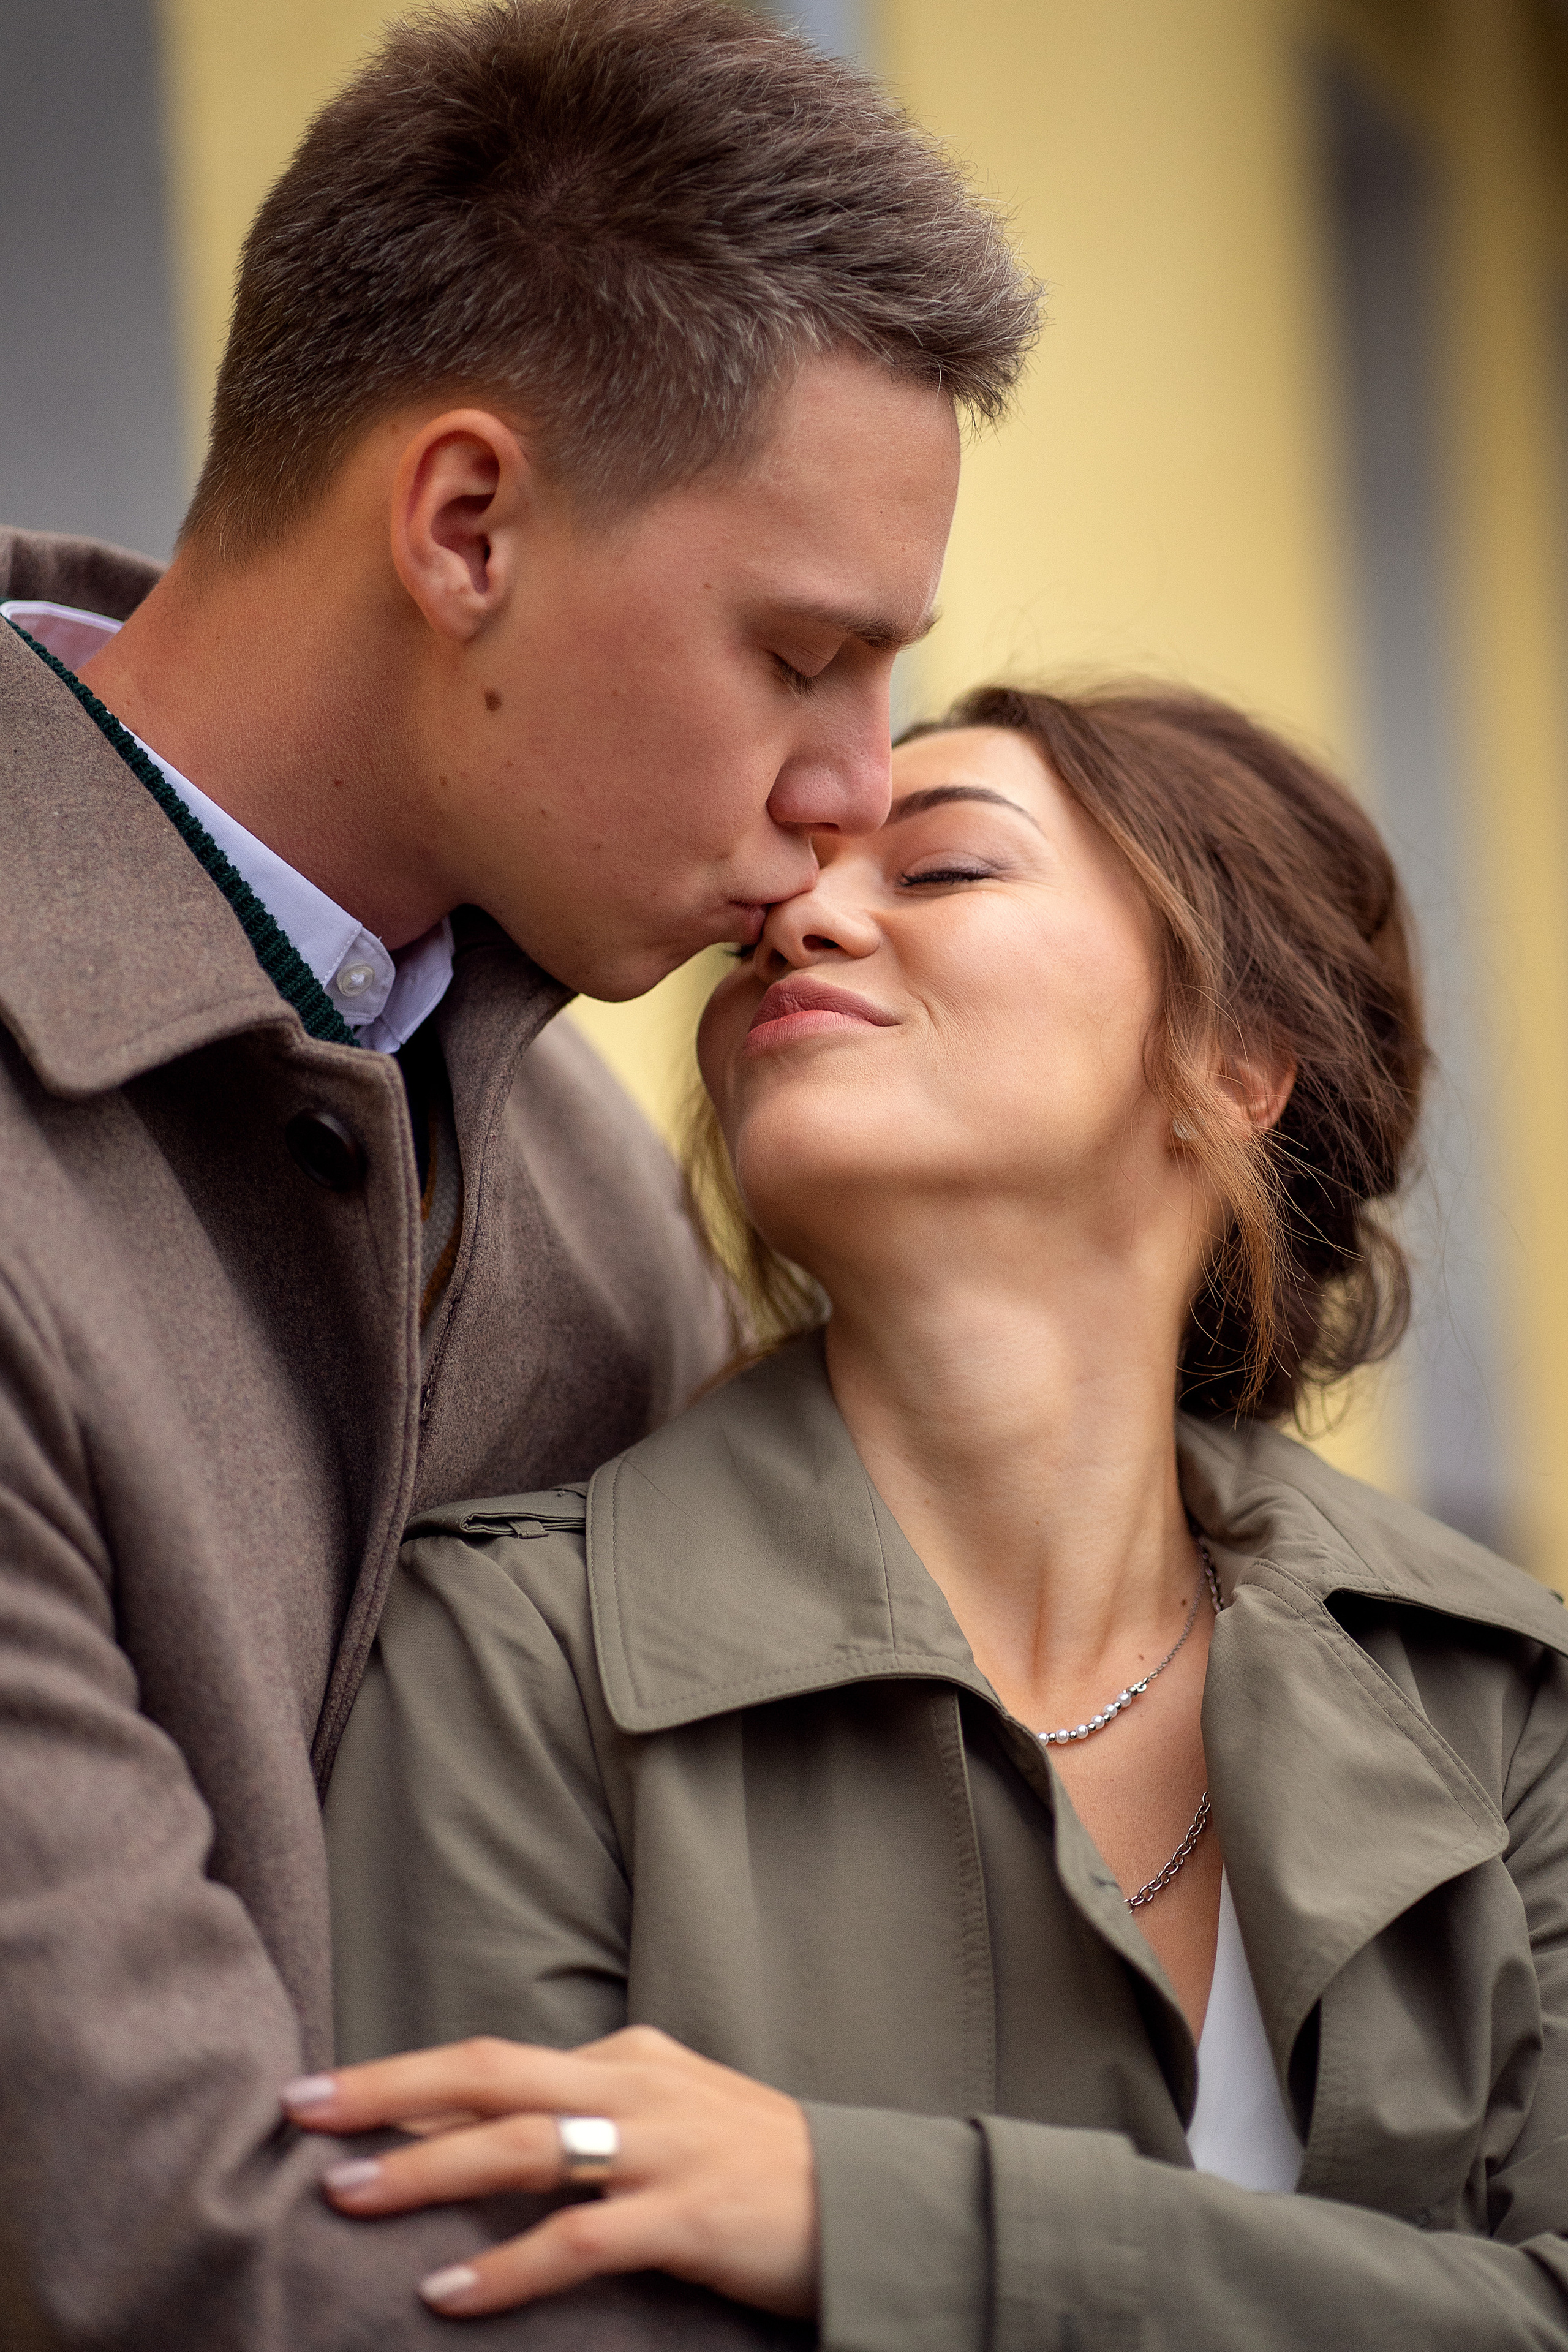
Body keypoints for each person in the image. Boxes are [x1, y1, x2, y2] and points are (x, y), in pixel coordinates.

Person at [0, 1, 1037, 2342]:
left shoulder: (585, 1192)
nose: (859, 790)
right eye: (801, 656)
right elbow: (146, 2242)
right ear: (465, 524)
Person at [315, 684, 1568, 2346]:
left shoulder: (1503, 1706)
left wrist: (866, 2216)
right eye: (785, 898)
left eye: (946, 871)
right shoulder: (502, 1666)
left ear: (1234, 1059)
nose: (801, 919)